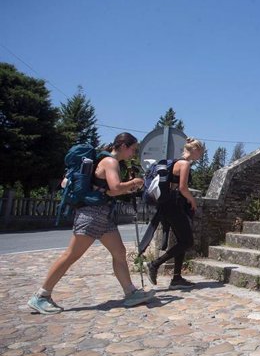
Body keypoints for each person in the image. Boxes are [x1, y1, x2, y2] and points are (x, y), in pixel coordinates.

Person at [27, 133, 156, 314]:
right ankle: (41, 295)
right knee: (71, 255)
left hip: (103, 216)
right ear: (124, 146)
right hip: (92, 215)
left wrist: (127, 186)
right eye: (133, 149)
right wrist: (134, 182)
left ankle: (130, 292)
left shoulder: (108, 161)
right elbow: (115, 188)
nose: (134, 153)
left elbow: (108, 193)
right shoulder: (110, 162)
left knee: (119, 252)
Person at [145, 138, 203, 290]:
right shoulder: (185, 164)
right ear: (194, 150)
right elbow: (183, 188)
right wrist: (193, 200)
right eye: (200, 152)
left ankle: (177, 278)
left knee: (181, 241)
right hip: (175, 205)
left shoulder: (175, 162)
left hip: (168, 205)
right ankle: (154, 264)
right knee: (187, 241)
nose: (201, 155)